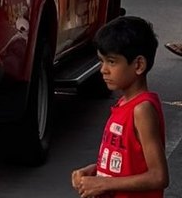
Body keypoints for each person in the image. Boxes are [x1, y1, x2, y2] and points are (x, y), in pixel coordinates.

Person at [71, 16, 168, 198]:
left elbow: (159, 176)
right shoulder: (123, 104)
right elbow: (128, 162)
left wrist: (104, 183)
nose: (103, 69)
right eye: (102, 61)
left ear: (138, 65)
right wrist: (95, 171)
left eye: (112, 62)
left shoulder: (142, 110)